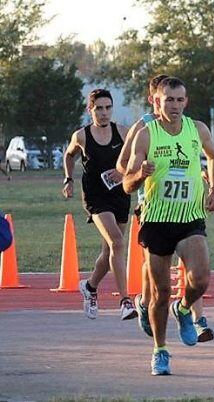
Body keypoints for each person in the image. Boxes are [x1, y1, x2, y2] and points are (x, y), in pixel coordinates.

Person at [123, 77, 214, 376]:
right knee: (160, 293)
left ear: (186, 102)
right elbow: (127, 184)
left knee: (201, 278)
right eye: (169, 100)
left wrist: (213, 189)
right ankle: (160, 351)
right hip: (157, 221)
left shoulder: (198, 129)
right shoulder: (146, 135)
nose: (174, 106)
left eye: (179, 100)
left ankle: (184, 309)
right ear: (157, 101)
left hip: (190, 217)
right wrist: (140, 174)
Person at [62, 89, 137, 320]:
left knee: (110, 250)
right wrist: (69, 179)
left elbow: (136, 159)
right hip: (96, 197)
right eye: (99, 108)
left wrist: (122, 170)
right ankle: (125, 301)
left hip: (119, 194)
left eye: (108, 108)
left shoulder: (123, 133)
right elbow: (69, 155)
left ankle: (91, 286)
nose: (104, 113)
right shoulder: (82, 136)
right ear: (90, 110)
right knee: (117, 241)